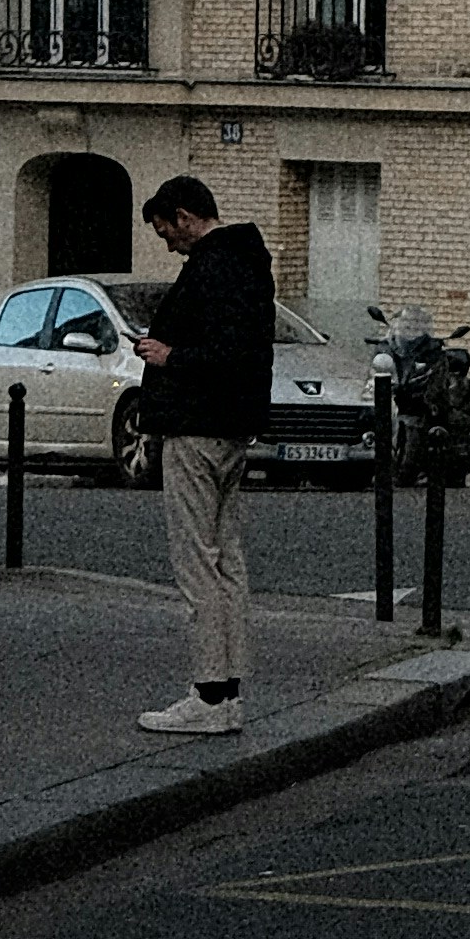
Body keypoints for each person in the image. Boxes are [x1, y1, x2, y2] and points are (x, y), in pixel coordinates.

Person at [134, 169, 279, 735]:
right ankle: (230, 690)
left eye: (167, 232)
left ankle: (209, 694)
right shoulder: (248, 261)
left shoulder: (212, 267)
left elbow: (224, 351)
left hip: (196, 426)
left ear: (185, 217)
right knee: (227, 561)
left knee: (197, 561)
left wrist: (169, 356)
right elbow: (246, 350)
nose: (169, 245)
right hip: (234, 426)